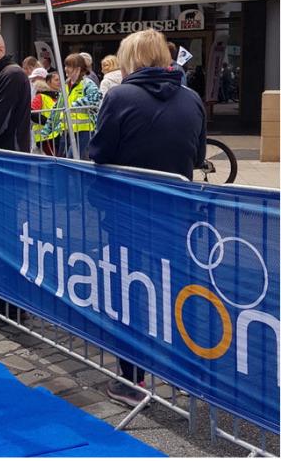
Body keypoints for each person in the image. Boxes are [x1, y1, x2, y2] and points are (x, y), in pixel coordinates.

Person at [88, 28, 206, 407]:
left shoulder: (120, 96)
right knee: (177, 291)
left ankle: (131, 379)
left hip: (127, 212)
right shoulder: (191, 98)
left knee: (129, 291)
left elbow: (99, 152)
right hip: (177, 214)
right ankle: (184, 373)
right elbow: (199, 155)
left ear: (132, 59)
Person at [40, 53, 101, 159]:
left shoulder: (87, 84)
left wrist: (75, 105)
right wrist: (47, 128)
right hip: (66, 131)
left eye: (69, 66)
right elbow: (57, 108)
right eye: (65, 66)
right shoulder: (65, 85)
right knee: (63, 159)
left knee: (72, 159)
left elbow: (96, 98)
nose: (65, 69)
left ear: (78, 68)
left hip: (83, 132)